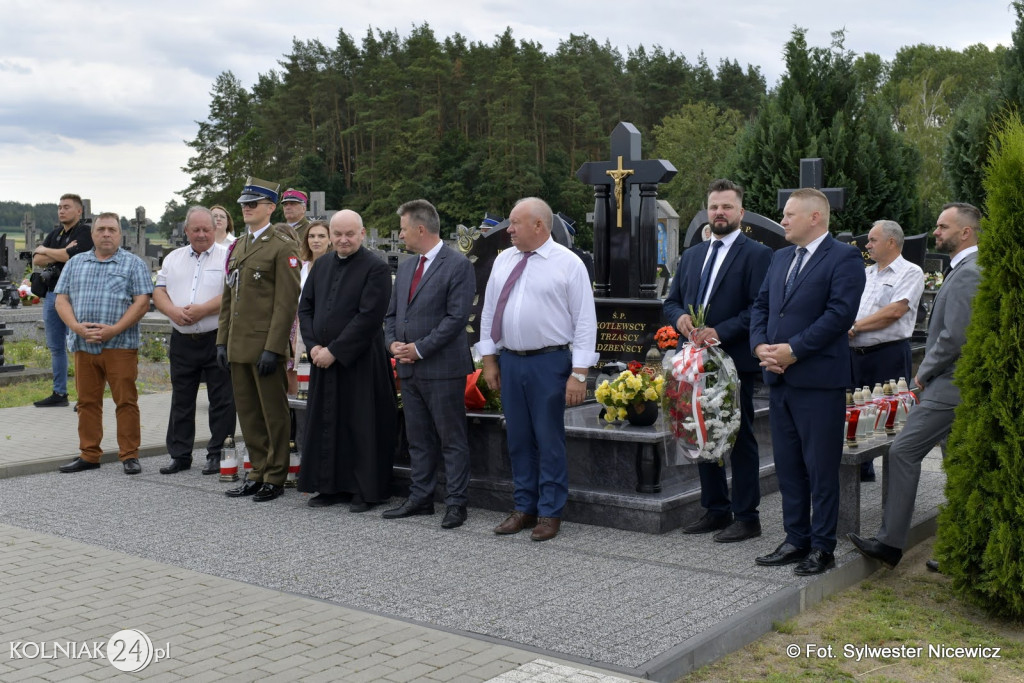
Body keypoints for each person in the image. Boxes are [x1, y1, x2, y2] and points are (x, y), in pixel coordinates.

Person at [849, 203, 981, 569]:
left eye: (943, 226)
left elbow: (953, 337)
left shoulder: (969, 271)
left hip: (948, 382)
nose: (935, 232)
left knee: (902, 451)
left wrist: (924, 373)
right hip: (950, 380)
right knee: (958, 463)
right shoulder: (965, 268)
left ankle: (890, 543)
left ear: (965, 232)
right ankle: (961, 549)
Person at [749, 188, 865, 575]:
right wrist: (761, 347)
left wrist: (793, 350)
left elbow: (839, 315)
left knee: (820, 467)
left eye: (789, 214)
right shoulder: (781, 257)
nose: (782, 221)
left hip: (817, 381)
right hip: (779, 379)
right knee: (788, 466)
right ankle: (795, 539)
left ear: (815, 217)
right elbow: (763, 305)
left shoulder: (845, 257)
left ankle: (822, 546)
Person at [477, 197, 598, 542]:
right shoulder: (504, 261)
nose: (509, 229)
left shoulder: (568, 264)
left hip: (550, 361)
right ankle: (524, 507)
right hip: (511, 361)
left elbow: (585, 322)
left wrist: (579, 374)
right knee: (517, 439)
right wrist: (489, 360)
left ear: (539, 226)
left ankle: (550, 511)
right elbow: (489, 312)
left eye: (515, 223)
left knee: (548, 438)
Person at [664, 179, 771, 543]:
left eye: (727, 207)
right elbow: (672, 300)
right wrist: (678, 318)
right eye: (714, 207)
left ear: (740, 212)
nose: (720, 213)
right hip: (694, 364)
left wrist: (719, 331)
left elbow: (759, 307)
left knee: (737, 437)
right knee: (699, 429)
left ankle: (747, 516)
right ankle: (715, 508)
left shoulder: (757, 255)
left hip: (733, 361)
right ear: (707, 210)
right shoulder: (693, 255)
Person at [382, 199, 476, 529]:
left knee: (451, 438)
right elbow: (392, 314)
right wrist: (392, 343)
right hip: (408, 368)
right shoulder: (407, 266)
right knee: (418, 438)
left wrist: (419, 349)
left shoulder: (457, 265)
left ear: (421, 229)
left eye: (404, 229)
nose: (401, 235)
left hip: (442, 368)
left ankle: (456, 503)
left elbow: (455, 318)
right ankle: (421, 498)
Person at [297, 210, 397, 512]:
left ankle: (363, 490)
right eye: (337, 234)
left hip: (361, 362)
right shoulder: (323, 264)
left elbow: (369, 317)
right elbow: (306, 308)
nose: (342, 240)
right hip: (322, 360)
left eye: (349, 234)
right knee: (327, 422)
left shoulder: (376, 269)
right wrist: (314, 347)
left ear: (362, 234)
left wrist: (335, 351)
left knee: (360, 424)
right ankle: (329, 486)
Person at [217, 178, 301, 503]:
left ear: (270, 207)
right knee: (248, 413)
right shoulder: (237, 246)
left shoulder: (282, 246)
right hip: (238, 345)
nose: (247, 208)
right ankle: (256, 471)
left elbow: (286, 303)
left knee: (273, 413)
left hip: (265, 347)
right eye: (244, 204)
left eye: (254, 203)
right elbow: (228, 297)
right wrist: (222, 341)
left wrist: (274, 347)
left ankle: (275, 475)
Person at [54, 213, 153, 474]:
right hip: (83, 345)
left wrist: (115, 329)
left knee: (126, 401)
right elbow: (61, 300)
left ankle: (129, 455)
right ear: (93, 234)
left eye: (112, 229)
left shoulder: (133, 264)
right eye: (101, 229)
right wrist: (76, 327)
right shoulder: (75, 263)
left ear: (120, 234)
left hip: (119, 345)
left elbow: (141, 302)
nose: (106, 234)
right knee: (87, 402)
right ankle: (89, 454)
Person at [152, 206, 236, 475]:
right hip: (183, 340)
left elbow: (233, 293)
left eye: (206, 229)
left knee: (222, 400)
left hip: (217, 338)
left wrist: (203, 309)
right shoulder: (173, 258)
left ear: (216, 230)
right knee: (182, 399)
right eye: (196, 229)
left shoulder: (228, 256)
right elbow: (159, 291)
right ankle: (180, 455)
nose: (201, 234)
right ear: (186, 230)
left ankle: (218, 454)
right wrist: (172, 311)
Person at [848, 220, 925, 481]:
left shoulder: (910, 272)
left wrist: (854, 327)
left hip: (887, 354)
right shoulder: (866, 273)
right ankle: (861, 470)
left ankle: (896, 475)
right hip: (855, 355)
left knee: (891, 416)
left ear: (891, 242)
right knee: (855, 412)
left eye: (872, 240)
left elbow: (894, 311)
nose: (867, 245)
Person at [32, 193, 94, 407]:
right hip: (52, 294)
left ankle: (84, 397)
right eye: (59, 207)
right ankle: (59, 394)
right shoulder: (56, 233)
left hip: (75, 295)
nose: (61, 211)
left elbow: (73, 257)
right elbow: (37, 259)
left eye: (66, 207)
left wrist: (49, 251)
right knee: (56, 346)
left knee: (78, 345)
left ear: (79, 211)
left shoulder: (85, 232)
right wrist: (61, 252)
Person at [287, 220, 330, 396]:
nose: (316, 240)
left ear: (330, 239)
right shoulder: (302, 266)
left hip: (323, 325)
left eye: (321, 236)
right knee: (299, 377)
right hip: (299, 325)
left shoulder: (334, 265)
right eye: (311, 236)